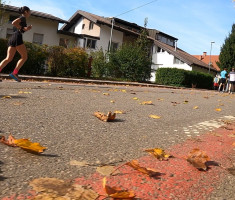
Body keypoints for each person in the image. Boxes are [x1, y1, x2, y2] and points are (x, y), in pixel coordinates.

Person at [0, 6, 32, 82]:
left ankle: (14, 73)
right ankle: (14, 73)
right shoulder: (23, 17)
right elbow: (13, 23)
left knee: (8, 58)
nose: (30, 13)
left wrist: (26, 29)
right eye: (29, 11)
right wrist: (22, 28)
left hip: (12, 38)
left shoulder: (22, 19)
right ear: (26, 12)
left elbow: (19, 28)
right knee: (24, 57)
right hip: (17, 37)